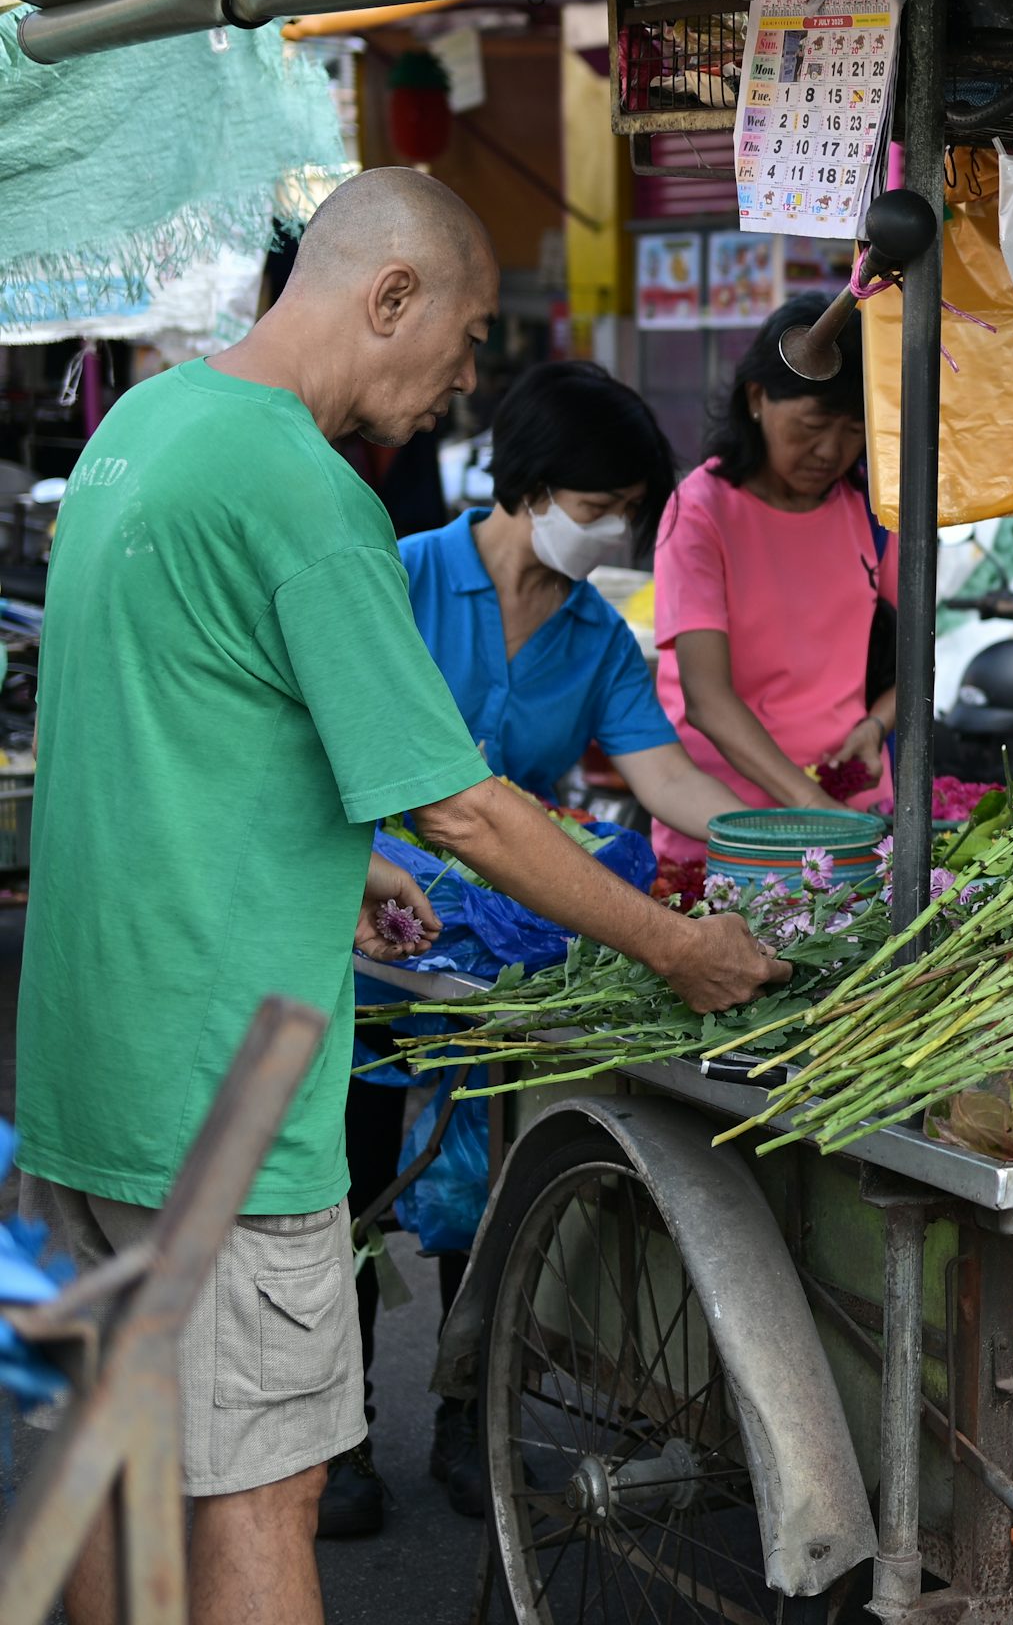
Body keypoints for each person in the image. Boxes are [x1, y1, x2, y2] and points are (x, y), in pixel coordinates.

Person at [17, 168, 784, 1625]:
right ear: (389, 299)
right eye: (469, 331)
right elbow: (470, 810)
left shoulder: (144, 427)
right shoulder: (311, 496)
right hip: (218, 1093)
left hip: (89, 1065)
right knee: (259, 1496)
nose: (465, 375)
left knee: (122, 1465)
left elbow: (171, 720)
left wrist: (345, 857)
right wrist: (676, 944)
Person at [334, 358, 751, 1532]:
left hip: (502, 958)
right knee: (351, 1185)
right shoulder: (398, 577)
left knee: (483, 1185)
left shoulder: (596, 636)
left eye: (630, 505)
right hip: (369, 936)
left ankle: (471, 1413)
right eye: (600, 501)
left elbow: (665, 775)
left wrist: (793, 843)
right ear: (527, 484)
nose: (614, 527)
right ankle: (342, 1435)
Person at [650, 294, 896, 864]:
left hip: (851, 809)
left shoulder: (870, 507)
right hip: (725, 824)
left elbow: (920, 649)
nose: (830, 451)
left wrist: (875, 725)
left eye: (854, 431)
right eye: (812, 425)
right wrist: (812, 809)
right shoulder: (702, 510)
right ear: (757, 399)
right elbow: (706, 699)